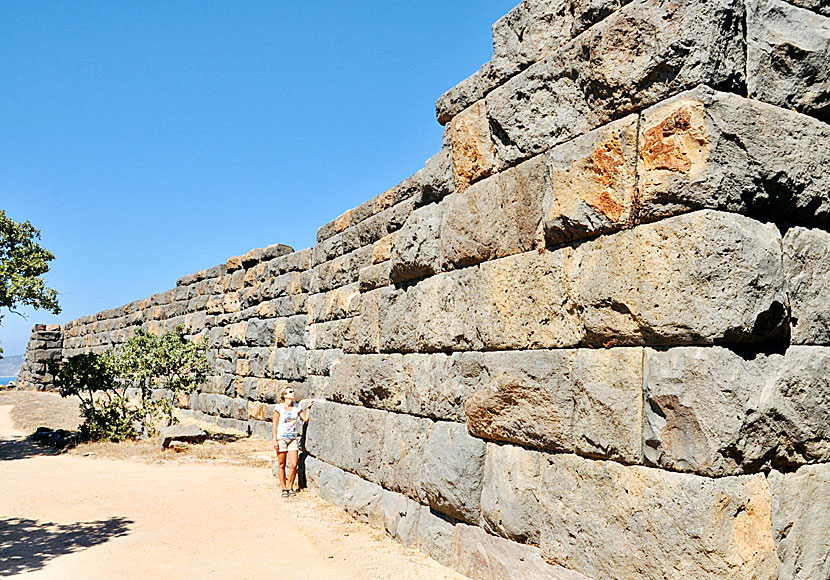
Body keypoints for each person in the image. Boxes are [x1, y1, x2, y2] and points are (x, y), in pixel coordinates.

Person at [273, 386, 313, 498]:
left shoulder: (297, 407)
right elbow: (275, 424)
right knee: (281, 464)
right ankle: (283, 488)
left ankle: (290, 487)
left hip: (292, 439)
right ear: (284, 395)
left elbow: (305, 419)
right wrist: (274, 440)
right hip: (281, 438)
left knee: (294, 465)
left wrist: (308, 409)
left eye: (293, 391)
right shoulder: (279, 408)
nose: (293, 393)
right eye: (290, 392)